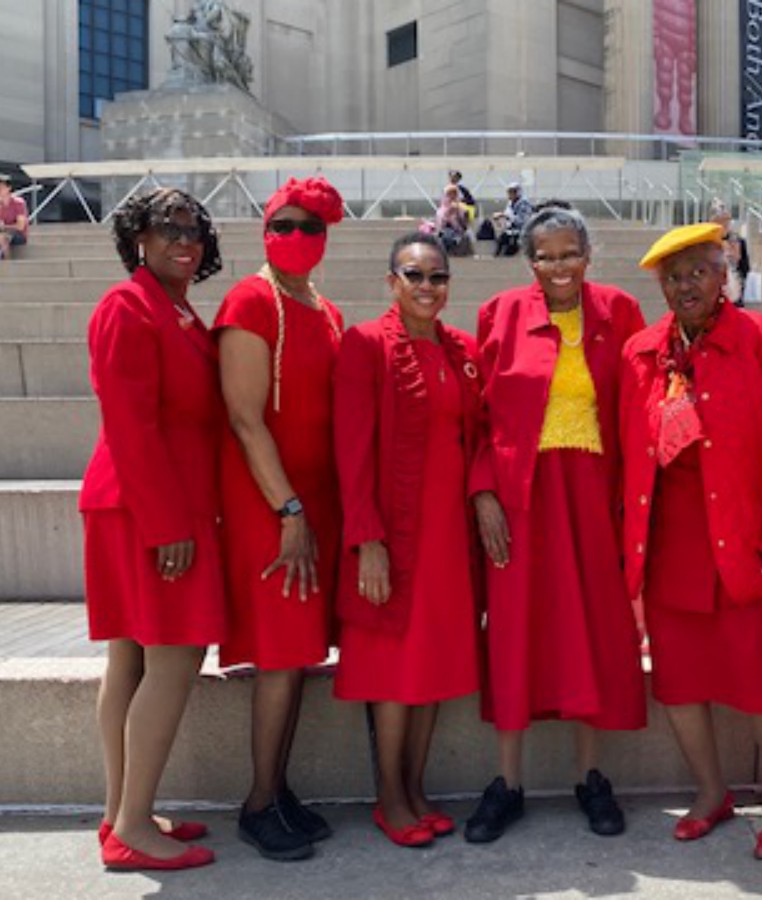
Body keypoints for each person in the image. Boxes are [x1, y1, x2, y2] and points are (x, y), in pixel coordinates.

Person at [620, 223, 762, 859]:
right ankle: (710, 793)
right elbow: (630, 455)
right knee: (677, 682)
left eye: (697, 272)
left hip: (745, 541)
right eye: (673, 277)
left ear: (722, 273)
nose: (685, 286)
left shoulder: (761, 339)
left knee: (760, 679)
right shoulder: (642, 352)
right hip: (669, 542)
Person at [464, 206, 648, 844]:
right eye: (546, 256)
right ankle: (507, 782)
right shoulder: (502, 314)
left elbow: (639, 403)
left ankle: (590, 776)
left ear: (589, 256)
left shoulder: (620, 311)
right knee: (514, 632)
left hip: (595, 494)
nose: (559, 267)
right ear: (530, 261)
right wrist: (484, 492)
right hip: (519, 496)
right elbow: (480, 416)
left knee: (590, 629)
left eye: (570, 254)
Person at [79, 186, 226, 872]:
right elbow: (129, 424)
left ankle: (120, 815)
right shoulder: (127, 306)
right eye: (169, 229)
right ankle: (134, 824)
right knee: (171, 656)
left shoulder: (176, 308)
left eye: (193, 231)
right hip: (148, 508)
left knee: (133, 660)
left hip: (155, 503)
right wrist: (168, 523)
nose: (183, 241)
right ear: (139, 236)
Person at [332, 233, 484, 848]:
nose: (427, 287)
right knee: (394, 672)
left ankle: (416, 787)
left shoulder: (462, 350)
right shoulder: (365, 346)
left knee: (434, 667)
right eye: (415, 275)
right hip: (393, 532)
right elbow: (352, 450)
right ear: (391, 281)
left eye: (438, 277)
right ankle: (389, 797)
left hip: (448, 538)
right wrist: (367, 538)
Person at [215, 176, 346, 863]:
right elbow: (244, 417)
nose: (294, 237)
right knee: (279, 652)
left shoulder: (324, 310)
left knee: (298, 655)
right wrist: (288, 509)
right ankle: (259, 802)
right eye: (283, 225)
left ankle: (278, 789)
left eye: (308, 227)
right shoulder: (249, 300)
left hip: (315, 501)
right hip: (273, 503)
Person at [709, 201, 751, 305]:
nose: (723, 225)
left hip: (733, 291)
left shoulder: (738, 241)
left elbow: (744, 267)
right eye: (719, 221)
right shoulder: (707, 243)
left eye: (725, 221)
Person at [0, 174, 30, 262]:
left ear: (9, 188)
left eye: (1, 188)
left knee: (1, 236)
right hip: (2, 233)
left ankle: (8, 261)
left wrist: (5, 227)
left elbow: (21, 226)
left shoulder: (18, 203)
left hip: (18, 234)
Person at [490, 182, 534, 258]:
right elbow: (507, 216)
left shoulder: (524, 204)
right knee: (501, 239)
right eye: (509, 192)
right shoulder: (510, 203)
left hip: (521, 231)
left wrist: (505, 216)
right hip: (511, 230)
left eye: (513, 192)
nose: (510, 194)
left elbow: (523, 221)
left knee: (509, 243)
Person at [433, 184, 472, 257]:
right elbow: (440, 226)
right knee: (446, 236)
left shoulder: (461, 208)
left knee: (466, 237)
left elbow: (465, 225)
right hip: (445, 234)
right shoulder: (441, 211)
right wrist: (448, 213)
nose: (452, 197)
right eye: (449, 194)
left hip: (458, 233)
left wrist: (461, 214)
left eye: (454, 194)